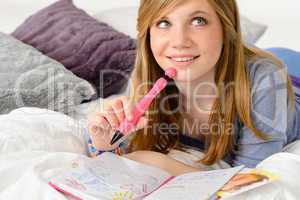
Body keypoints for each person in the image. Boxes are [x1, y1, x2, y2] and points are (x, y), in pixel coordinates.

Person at [87, 0, 300, 173]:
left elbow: (249, 181)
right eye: (163, 23)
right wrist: (106, 144)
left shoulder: (267, 79)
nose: (179, 41)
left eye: (198, 21)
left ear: (227, 28)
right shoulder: (149, 73)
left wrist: (158, 162)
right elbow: (120, 145)